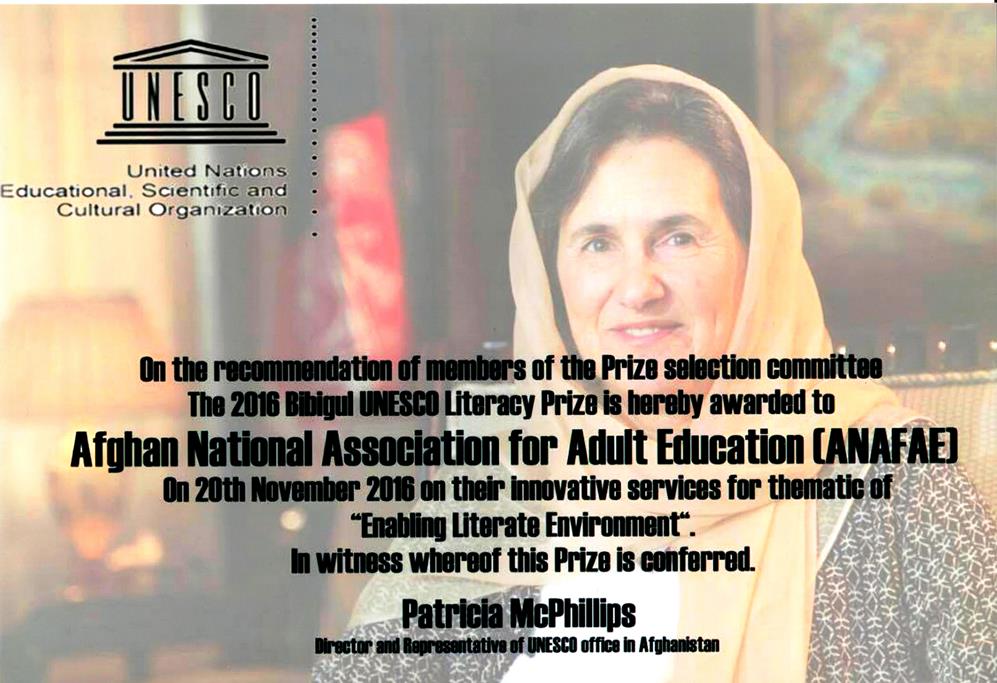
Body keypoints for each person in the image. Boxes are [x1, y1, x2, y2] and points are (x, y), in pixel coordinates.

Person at [313, 65, 997, 682]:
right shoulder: (502, 475)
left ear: (757, 258)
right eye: (597, 243)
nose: (637, 287)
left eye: (677, 237)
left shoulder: (894, 488)